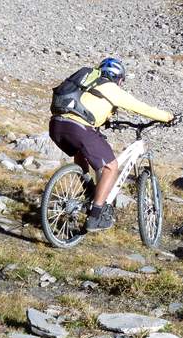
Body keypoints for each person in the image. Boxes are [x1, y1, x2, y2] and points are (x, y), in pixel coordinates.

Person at [48, 57, 175, 232]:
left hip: (56, 125)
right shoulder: (111, 88)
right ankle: (95, 217)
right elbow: (141, 107)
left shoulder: (88, 84)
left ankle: (89, 190)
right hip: (79, 127)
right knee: (111, 167)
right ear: (118, 77)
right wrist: (169, 117)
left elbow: (89, 106)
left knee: (81, 152)